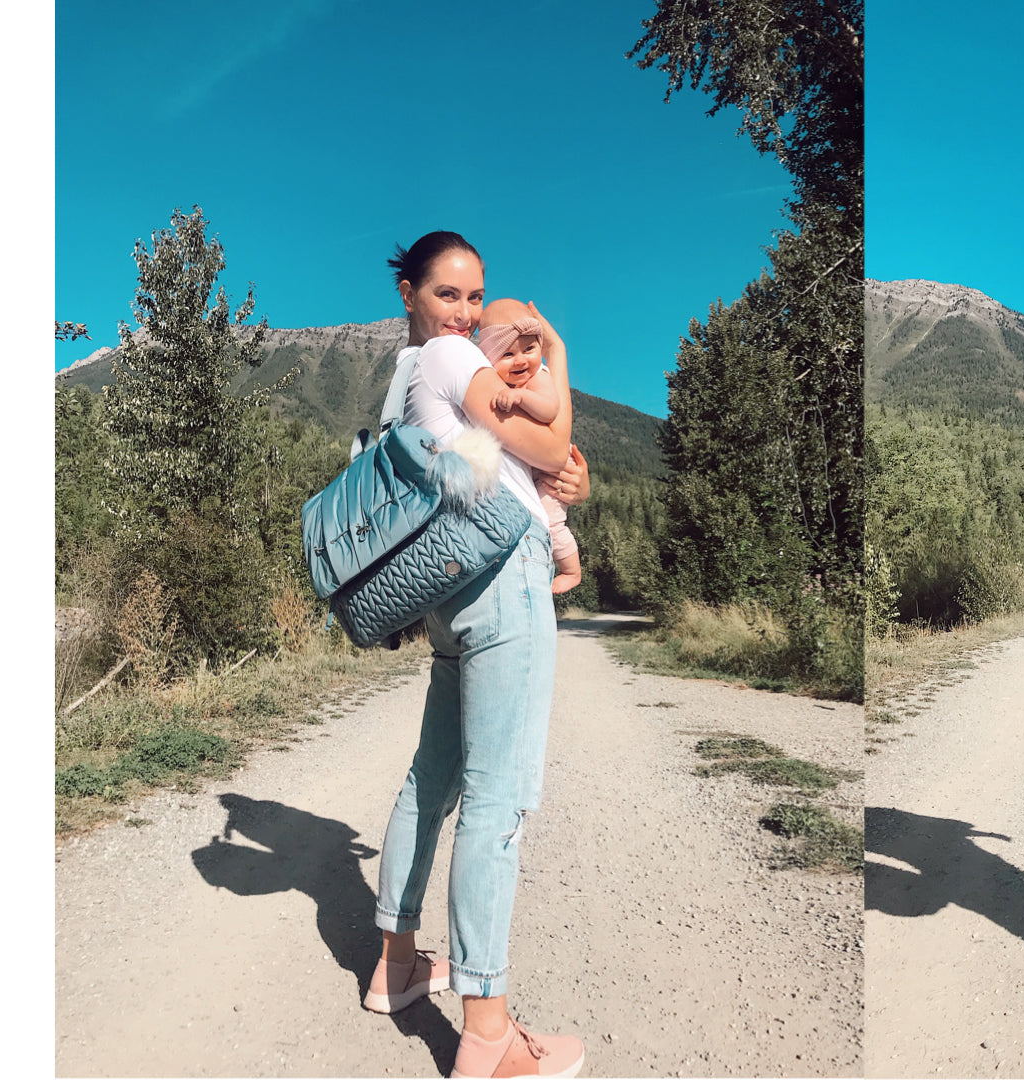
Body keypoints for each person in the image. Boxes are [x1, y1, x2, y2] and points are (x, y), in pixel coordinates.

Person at [363, 230, 591, 1079]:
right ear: (410, 295)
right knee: (499, 803)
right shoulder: (453, 359)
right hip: (503, 581)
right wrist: (556, 355)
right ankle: (488, 1034)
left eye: (473, 295)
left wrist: (566, 481)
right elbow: (548, 443)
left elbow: (541, 469)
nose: (463, 312)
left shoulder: (406, 377)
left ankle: (396, 966)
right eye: (446, 294)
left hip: (451, 591)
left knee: (433, 782)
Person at [476, 297, 584, 594]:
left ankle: (572, 571)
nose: (521, 360)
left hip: (553, 473)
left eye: (529, 349)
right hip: (537, 468)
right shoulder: (500, 384)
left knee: (551, 523)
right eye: (507, 354)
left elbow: (550, 409)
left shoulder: (538, 378)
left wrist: (521, 397)